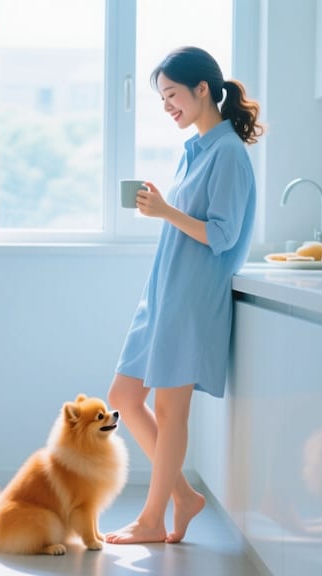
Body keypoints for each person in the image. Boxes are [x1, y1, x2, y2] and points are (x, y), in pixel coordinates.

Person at [105, 46, 263, 545]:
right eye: (162, 99)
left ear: (201, 90)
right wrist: (165, 208)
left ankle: (153, 520)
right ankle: (184, 496)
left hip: (192, 300)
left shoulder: (230, 153)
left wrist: (166, 211)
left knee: (172, 413)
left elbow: (221, 234)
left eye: (172, 95)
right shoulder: (195, 150)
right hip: (164, 296)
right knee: (123, 399)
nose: (167, 106)